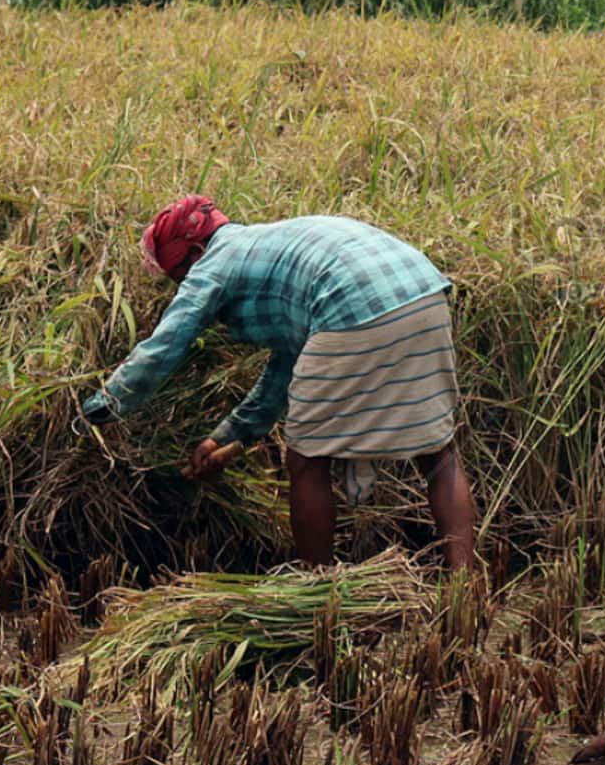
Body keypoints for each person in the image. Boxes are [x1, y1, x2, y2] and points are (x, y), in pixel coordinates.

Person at [81, 196, 477, 570]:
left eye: (178, 278)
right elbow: (289, 366)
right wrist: (226, 437)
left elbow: (167, 342)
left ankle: (318, 591)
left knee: (306, 459)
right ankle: (465, 584)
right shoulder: (267, 242)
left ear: (195, 255)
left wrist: (105, 405)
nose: (182, 287)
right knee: (438, 454)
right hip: (424, 293)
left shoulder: (213, 264)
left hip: (351, 305)